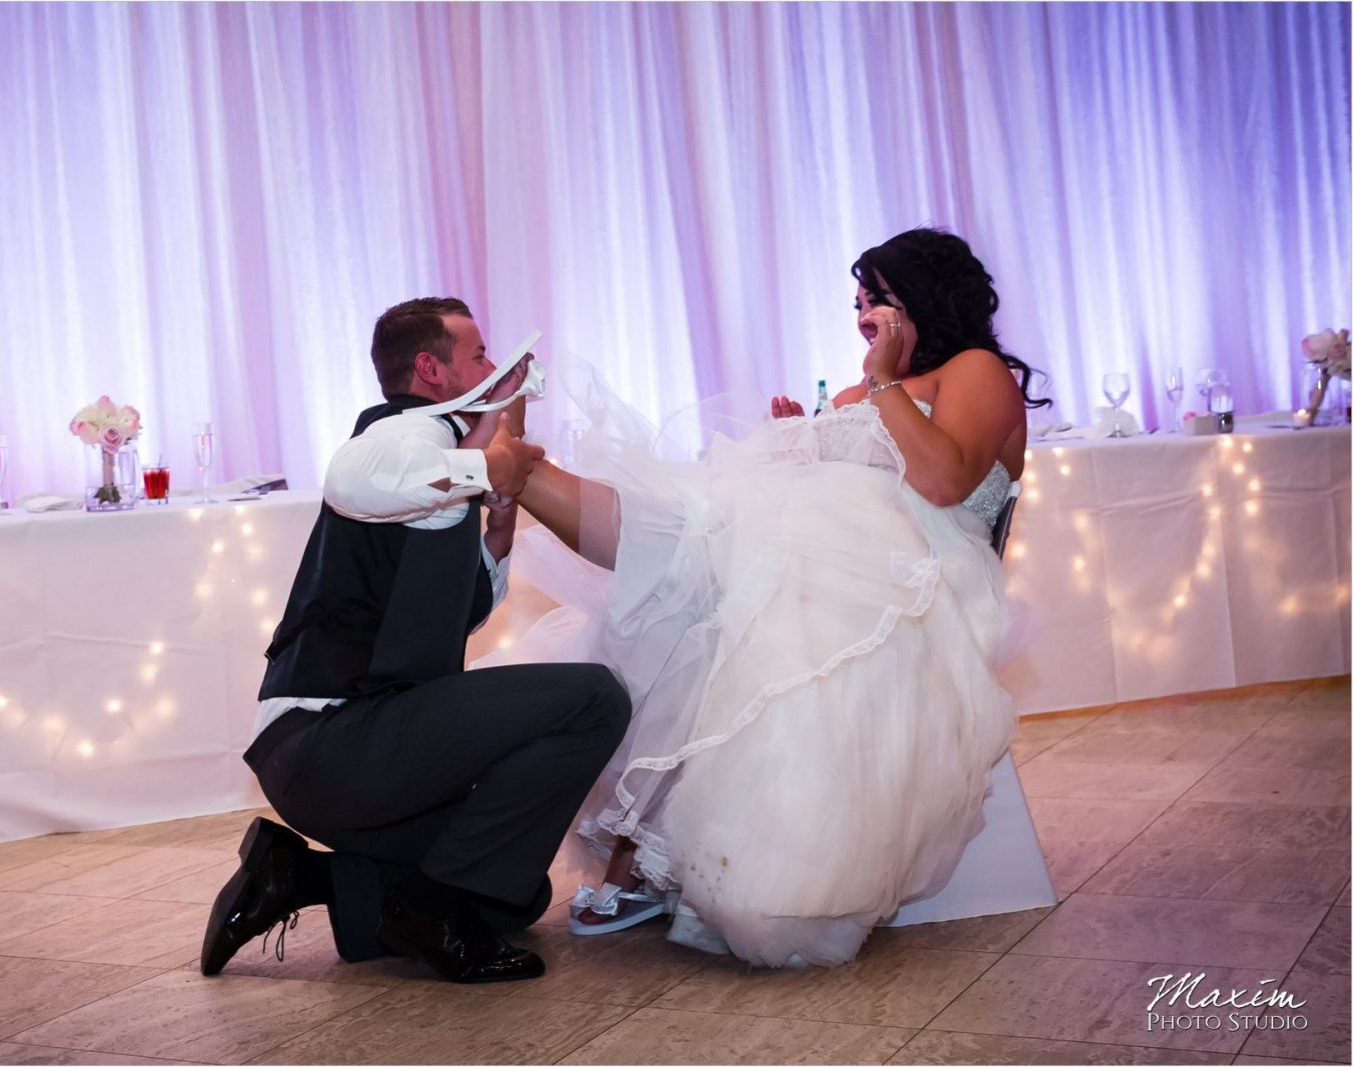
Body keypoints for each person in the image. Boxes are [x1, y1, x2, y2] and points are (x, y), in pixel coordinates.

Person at [506, 228, 1050, 966]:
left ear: (926, 298)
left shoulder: (974, 369)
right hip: (829, 543)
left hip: (913, 571)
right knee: (699, 560)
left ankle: (527, 480)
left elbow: (945, 482)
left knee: (736, 585)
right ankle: (542, 483)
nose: (863, 314)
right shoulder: (864, 389)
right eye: (858, 301)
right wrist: (807, 439)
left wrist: (882, 384)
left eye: (879, 299)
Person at [200, 297, 631, 984]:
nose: (494, 367)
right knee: (595, 699)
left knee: (515, 895)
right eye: (479, 354)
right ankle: (427, 909)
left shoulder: (438, 459)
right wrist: (486, 468)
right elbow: (349, 477)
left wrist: (495, 527)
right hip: (331, 740)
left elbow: (450, 612)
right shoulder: (402, 435)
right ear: (431, 368)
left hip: (340, 754)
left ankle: (294, 875)